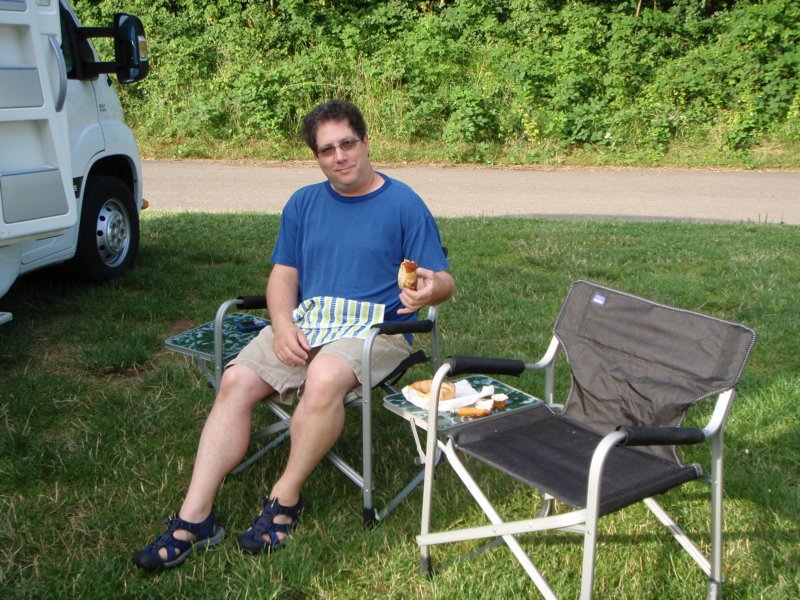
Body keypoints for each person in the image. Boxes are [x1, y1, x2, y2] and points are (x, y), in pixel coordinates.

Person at [133, 99, 454, 571]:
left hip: (378, 329)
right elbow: (283, 277)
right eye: (327, 150)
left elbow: (442, 280)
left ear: (366, 142)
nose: (340, 156)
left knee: (324, 375)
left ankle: (285, 496)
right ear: (316, 157)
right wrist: (282, 326)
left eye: (347, 143)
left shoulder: (404, 204)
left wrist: (430, 290)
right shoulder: (304, 203)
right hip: (309, 321)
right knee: (235, 381)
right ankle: (194, 518)